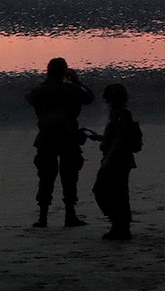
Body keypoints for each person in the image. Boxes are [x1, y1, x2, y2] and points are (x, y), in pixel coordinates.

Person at [27, 57, 94, 229]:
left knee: (46, 176)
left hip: (46, 137)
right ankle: (70, 215)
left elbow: (30, 98)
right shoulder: (71, 90)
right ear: (64, 71)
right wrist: (76, 80)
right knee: (69, 176)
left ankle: (43, 218)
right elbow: (89, 98)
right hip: (68, 137)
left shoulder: (39, 91)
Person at [92, 83, 142, 240]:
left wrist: (108, 160)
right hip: (120, 159)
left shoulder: (119, 114)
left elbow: (120, 139)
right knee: (116, 193)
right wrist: (99, 138)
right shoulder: (121, 113)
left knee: (106, 191)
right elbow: (119, 137)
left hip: (117, 160)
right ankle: (119, 225)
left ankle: (120, 225)